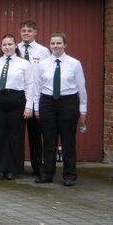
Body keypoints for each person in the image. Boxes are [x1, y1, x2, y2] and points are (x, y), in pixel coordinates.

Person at [35, 31, 87, 187]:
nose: (55, 46)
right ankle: (47, 173)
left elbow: (81, 87)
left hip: (68, 102)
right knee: (49, 140)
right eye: (53, 43)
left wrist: (83, 108)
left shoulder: (74, 64)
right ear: (49, 45)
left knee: (68, 140)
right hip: (48, 102)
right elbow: (37, 87)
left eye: (58, 43)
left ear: (65, 44)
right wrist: (37, 107)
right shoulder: (43, 64)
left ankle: (70, 175)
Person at [0, 34, 36, 181]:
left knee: (15, 136)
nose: (7, 47)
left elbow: (29, 85)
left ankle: (13, 169)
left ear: (15, 46)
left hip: (16, 100)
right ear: (1, 47)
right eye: (4, 45)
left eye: (10, 44)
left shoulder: (24, 64)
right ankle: (0, 168)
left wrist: (29, 106)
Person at [20, 19, 50, 177]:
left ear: (35, 32)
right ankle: (17, 165)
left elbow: (46, 74)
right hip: (19, 97)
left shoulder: (43, 51)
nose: (26, 33)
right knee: (17, 135)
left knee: (35, 135)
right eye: (23, 30)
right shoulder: (14, 48)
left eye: (29, 31)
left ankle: (38, 166)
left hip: (36, 97)